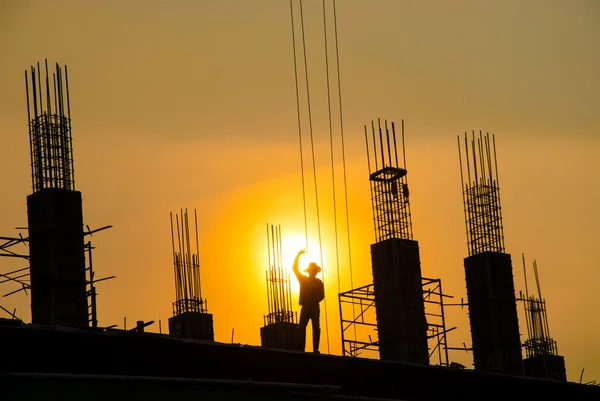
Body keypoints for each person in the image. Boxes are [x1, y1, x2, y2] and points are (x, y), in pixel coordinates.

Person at [292, 248, 325, 354]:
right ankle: (302, 349)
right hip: (307, 306)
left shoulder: (318, 282)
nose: (313, 272)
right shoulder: (304, 279)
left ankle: (315, 349)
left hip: (313, 307)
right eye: (312, 270)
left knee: (315, 327)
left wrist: (314, 300)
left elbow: (322, 295)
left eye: (314, 271)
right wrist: (298, 255)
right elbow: (294, 268)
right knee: (302, 327)